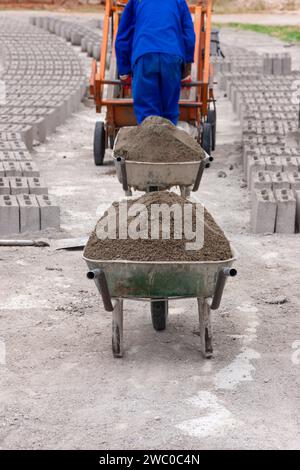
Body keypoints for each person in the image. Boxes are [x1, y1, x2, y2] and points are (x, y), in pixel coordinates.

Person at [115, 0, 196, 125]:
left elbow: (123, 37)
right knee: (169, 113)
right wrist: (186, 70)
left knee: (148, 115)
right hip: (171, 57)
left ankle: (149, 139)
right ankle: (168, 138)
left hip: (144, 56)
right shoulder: (179, 1)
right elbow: (189, 36)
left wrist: (124, 71)